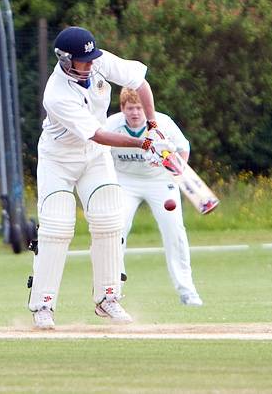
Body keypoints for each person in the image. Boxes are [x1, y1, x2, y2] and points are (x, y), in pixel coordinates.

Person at [28, 26, 177, 329]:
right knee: (57, 225)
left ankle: (108, 298)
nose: (90, 64)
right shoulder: (56, 93)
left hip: (94, 158)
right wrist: (142, 144)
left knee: (110, 217)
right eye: (83, 61)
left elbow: (140, 82)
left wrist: (151, 124)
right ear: (65, 60)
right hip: (59, 159)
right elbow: (97, 134)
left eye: (91, 58)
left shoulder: (98, 61)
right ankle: (43, 305)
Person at [105, 88, 203, 306]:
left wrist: (179, 169)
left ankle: (187, 291)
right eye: (131, 108)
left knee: (174, 230)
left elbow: (183, 147)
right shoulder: (112, 125)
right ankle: (112, 290)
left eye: (139, 108)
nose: (135, 113)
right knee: (116, 229)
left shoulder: (163, 123)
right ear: (123, 109)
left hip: (161, 180)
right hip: (125, 181)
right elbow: (98, 149)